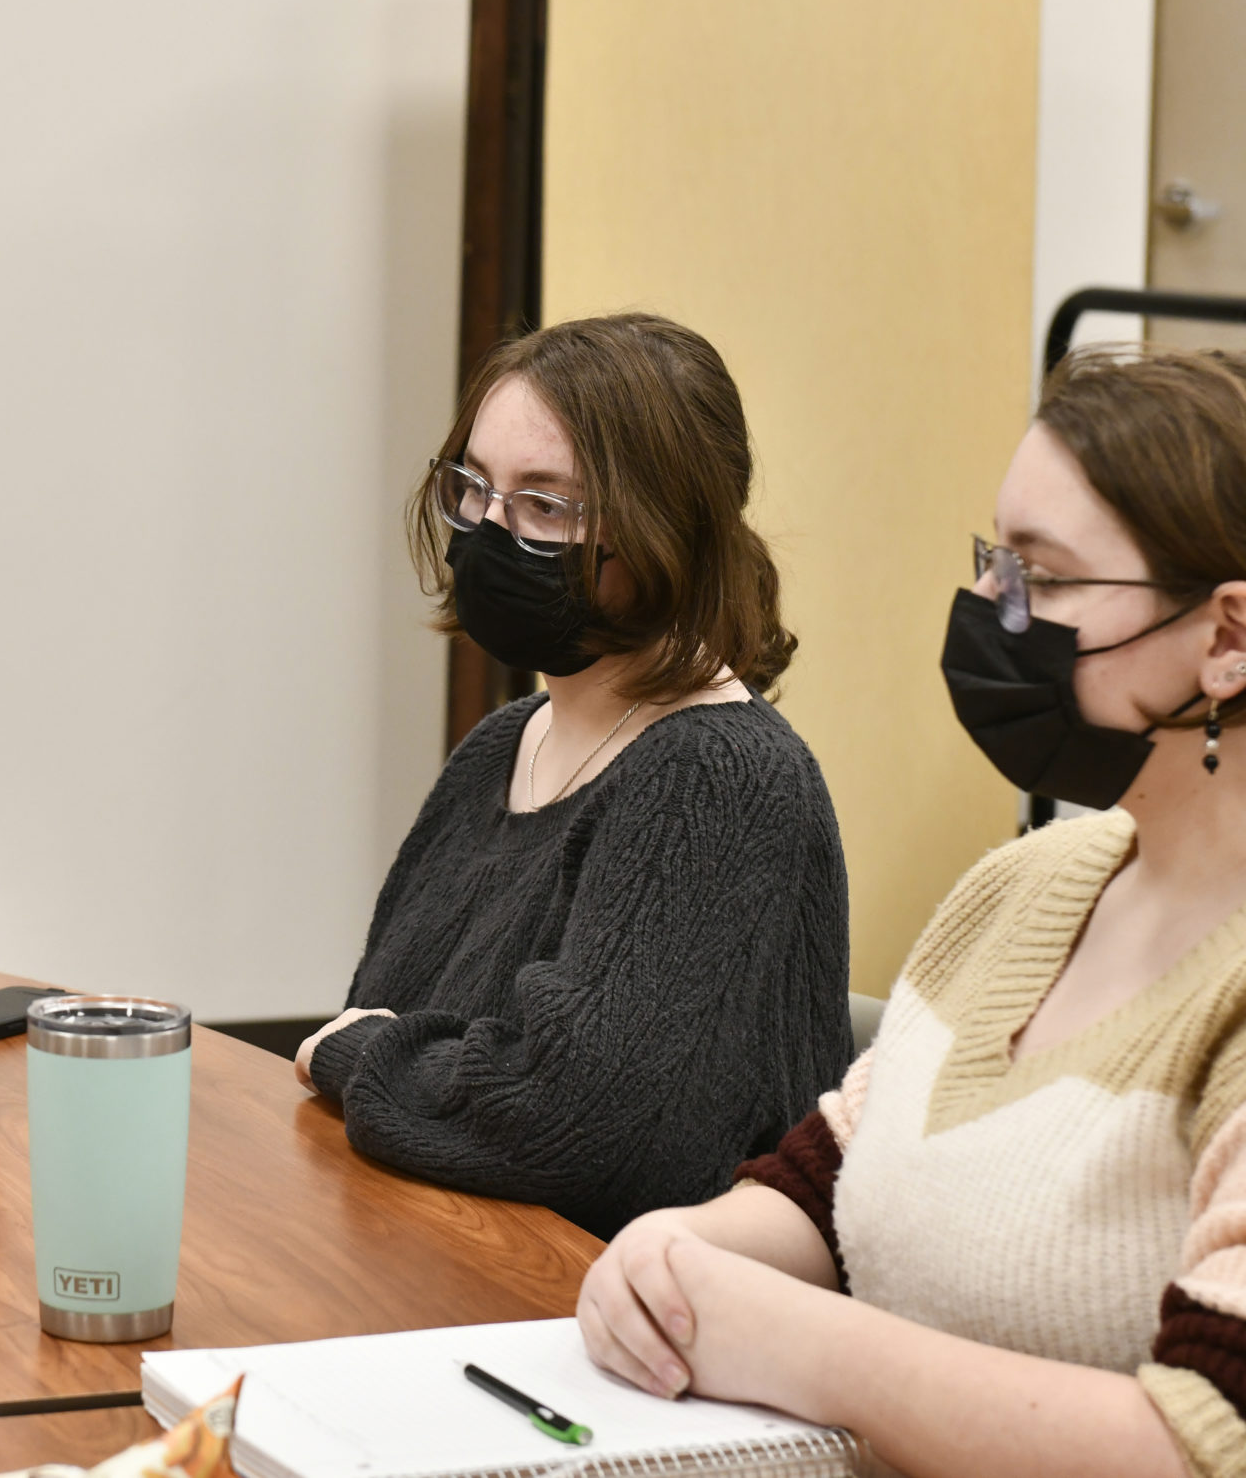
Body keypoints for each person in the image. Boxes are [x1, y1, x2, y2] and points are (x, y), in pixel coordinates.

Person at [579, 346, 1246, 1478]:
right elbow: (842, 1177)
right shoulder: (1034, 881)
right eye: (997, 563)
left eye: (1044, 578)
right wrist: (674, 1251)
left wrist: (801, 1345)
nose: (994, 611)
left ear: (1231, 639)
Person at [292, 313, 852, 1241]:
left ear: (665, 533)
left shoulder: (724, 778)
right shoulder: (506, 742)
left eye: (545, 506)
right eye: (474, 490)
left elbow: (577, 1130)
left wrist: (366, 1059)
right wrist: (395, 1058)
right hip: (437, 1255)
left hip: (611, 1327)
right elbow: (388, 1015)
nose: (488, 532)